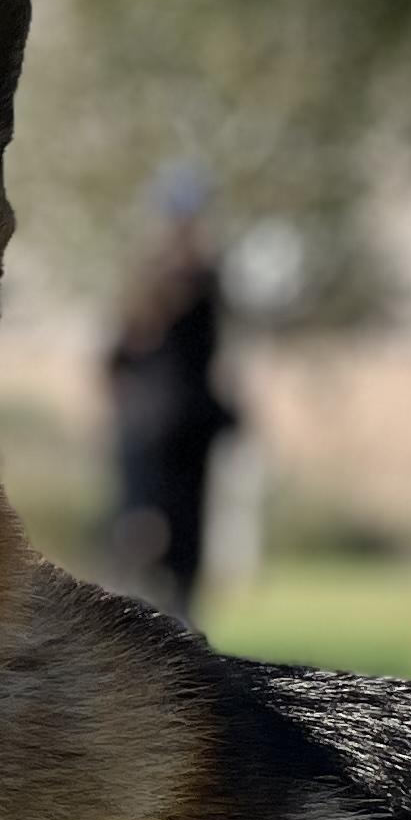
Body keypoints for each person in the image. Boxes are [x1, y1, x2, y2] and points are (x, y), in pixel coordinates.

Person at [105, 169, 241, 625]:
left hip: (145, 425)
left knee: (142, 525)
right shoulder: (205, 277)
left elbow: (117, 358)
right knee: (182, 535)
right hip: (186, 422)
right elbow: (211, 355)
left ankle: (133, 616)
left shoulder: (145, 278)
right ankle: (177, 618)